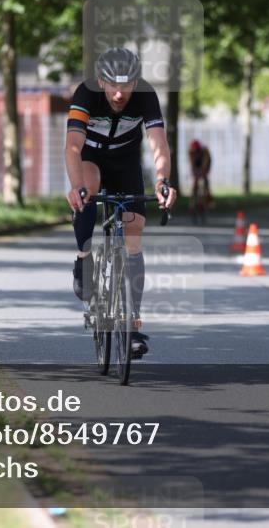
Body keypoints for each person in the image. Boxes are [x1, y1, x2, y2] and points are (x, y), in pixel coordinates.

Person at [65, 47, 177, 357]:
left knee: (134, 233)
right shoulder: (86, 93)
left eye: (126, 85)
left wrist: (162, 181)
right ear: (101, 81)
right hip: (90, 157)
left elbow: (159, 144)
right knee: (88, 190)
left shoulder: (145, 95)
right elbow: (72, 146)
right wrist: (76, 187)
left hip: (126, 162)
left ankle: (131, 326)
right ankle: (84, 258)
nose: (118, 93)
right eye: (113, 84)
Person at [188, 139, 213, 210]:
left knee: (205, 180)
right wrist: (195, 173)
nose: (196, 152)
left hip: (206, 163)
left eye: (197, 151)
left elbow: (205, 162)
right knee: (195, 183)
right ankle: (192, 202)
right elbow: (192, 164)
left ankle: (208, 199)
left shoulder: (205, 151)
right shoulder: (191, 152)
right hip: (197, 164)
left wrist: (203, 172)